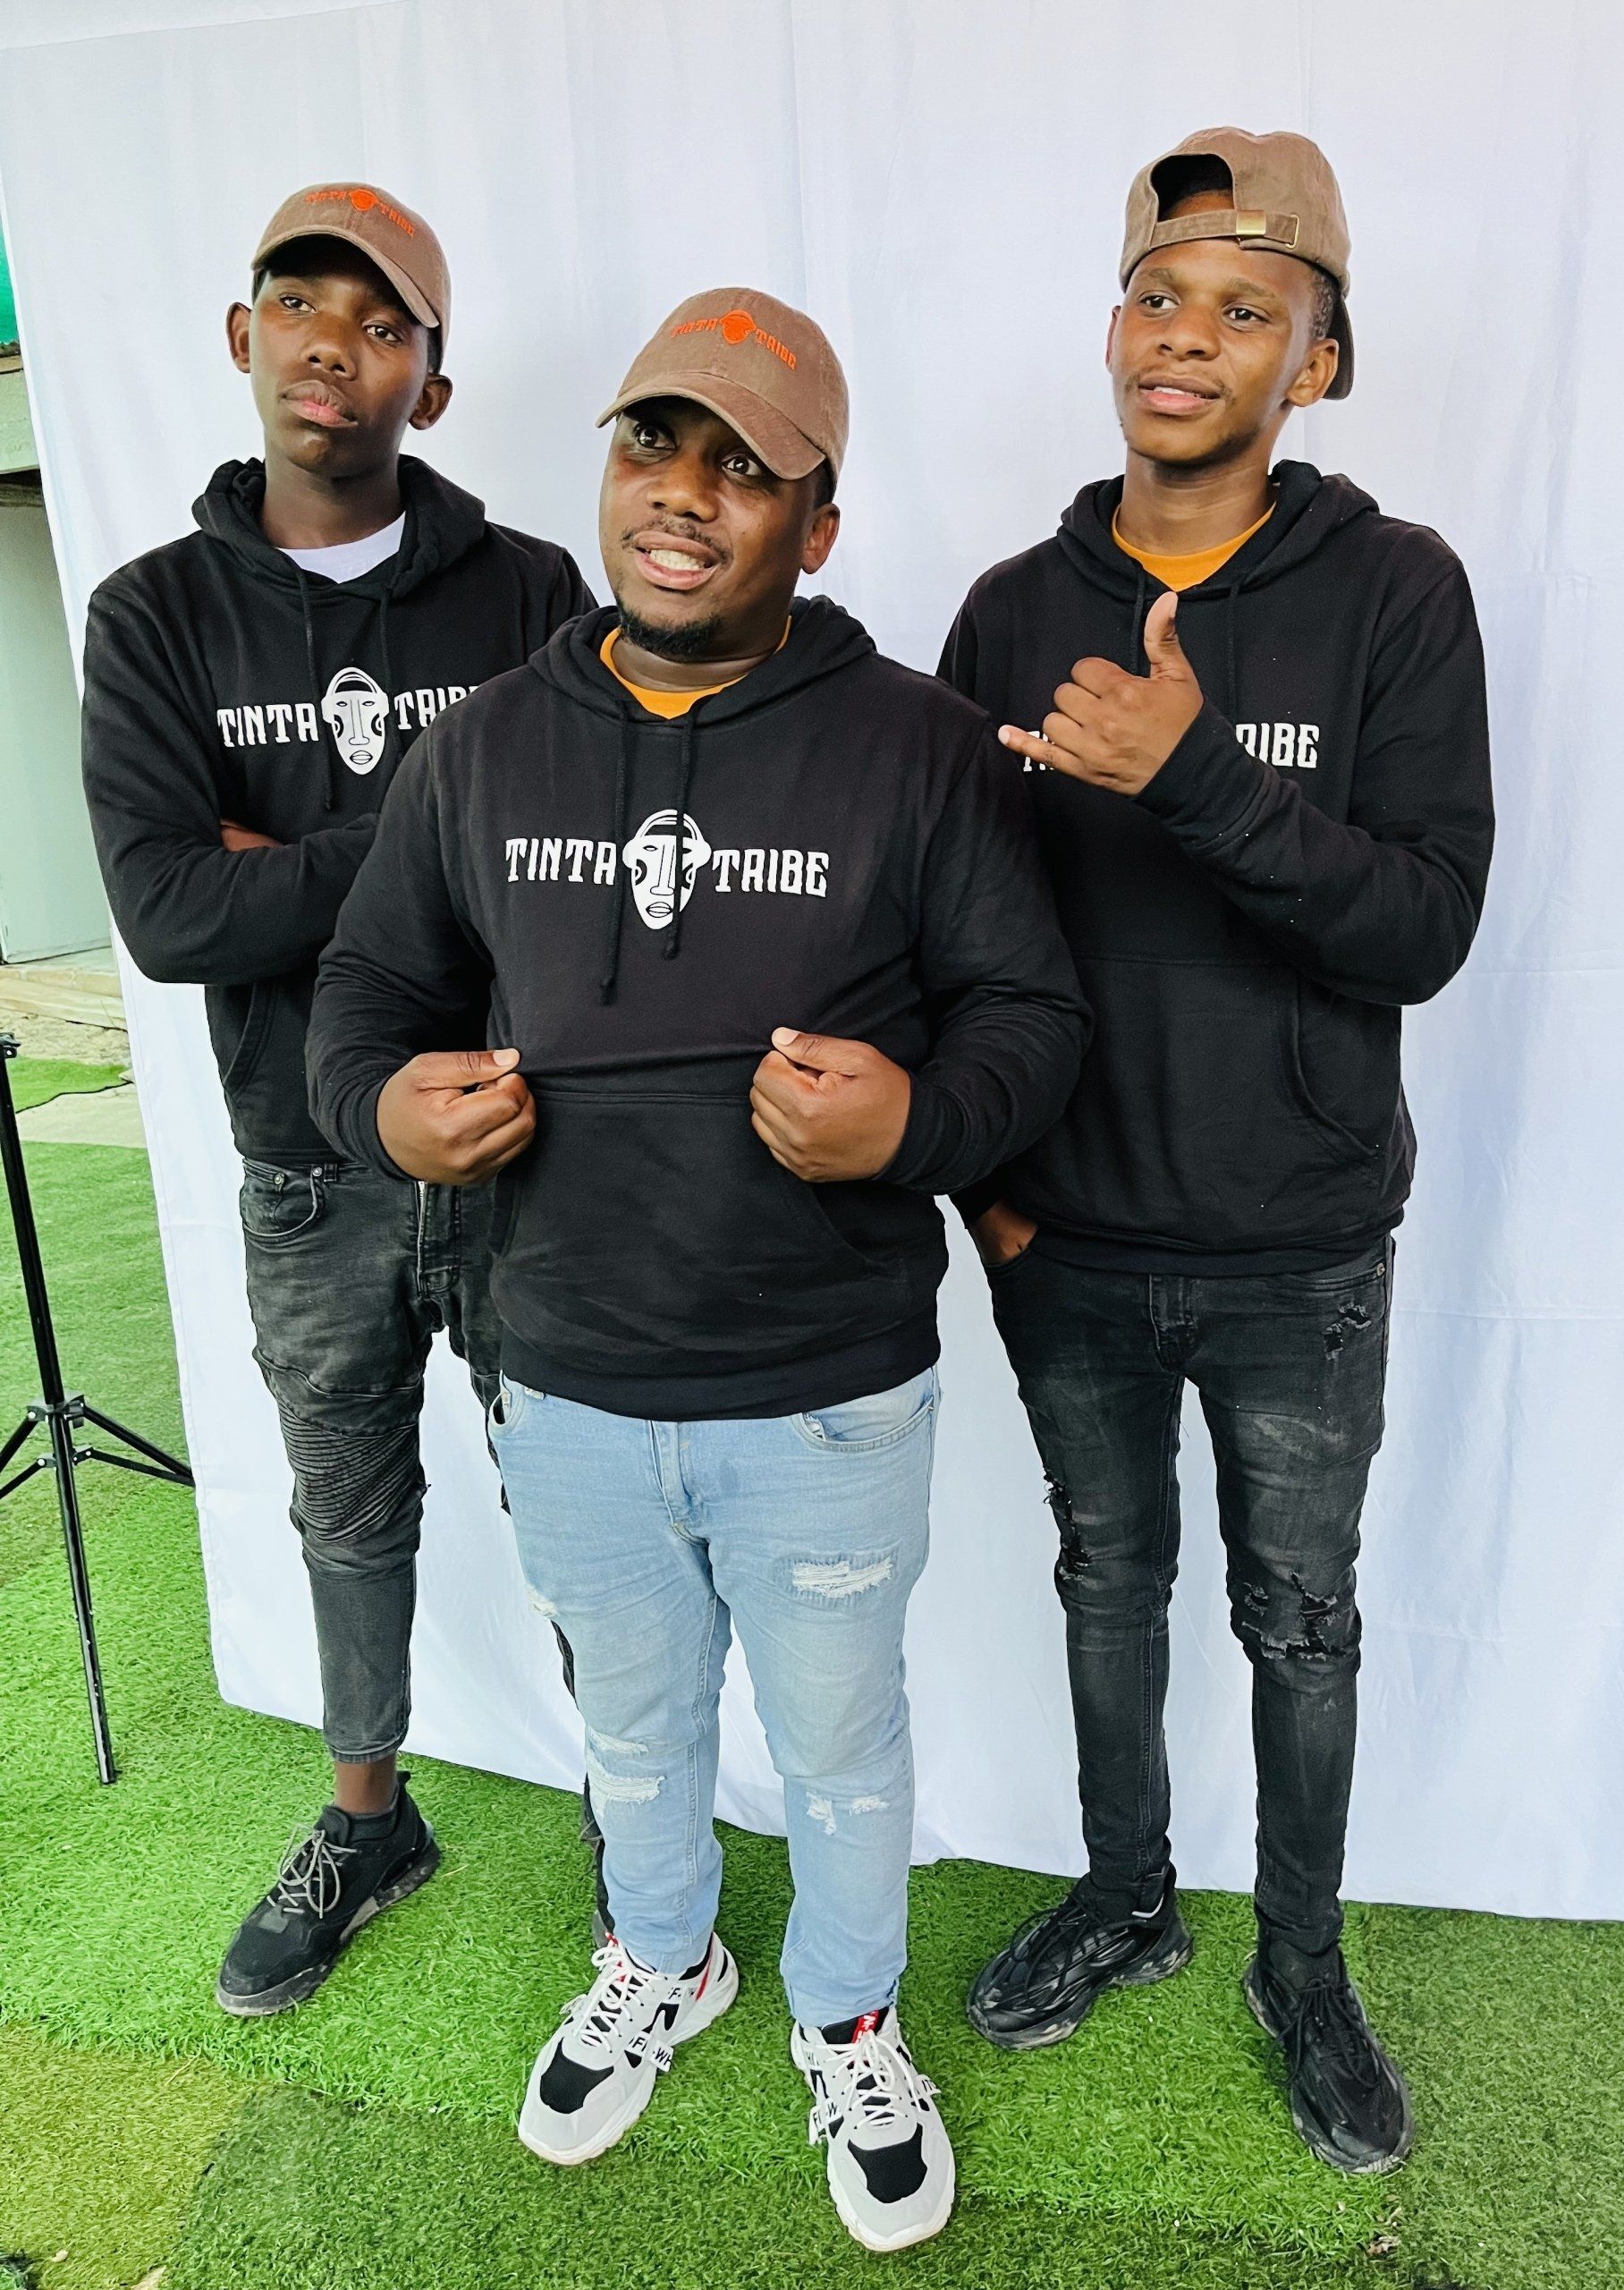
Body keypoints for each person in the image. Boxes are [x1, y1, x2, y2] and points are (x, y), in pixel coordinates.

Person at [307, 287, 1088, 2250]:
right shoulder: (486, 746)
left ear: (818, 525)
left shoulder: (916, 746)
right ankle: (665, 1954)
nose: (687, 492)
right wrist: (388, 1110)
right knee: (636, 1731)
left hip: (822, 1390)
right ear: (610, 466)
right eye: (660, 440)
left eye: (751, 465)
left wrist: (911, 1121)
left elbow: (1033, 1021)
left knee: (838, 1740)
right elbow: (364, 997)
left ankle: (845, 2005)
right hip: (560, 1376)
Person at [941, 129, 1494, 2174]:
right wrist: (983, 1193)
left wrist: (1190, 779)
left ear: (1317, 363)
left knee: (1299, 1617)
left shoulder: (1393, 593)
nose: (1191, 336)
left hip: (1298, 1243)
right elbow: (943, 928)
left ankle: (1305, 1960)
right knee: (1105, 1574)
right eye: (1162, 296)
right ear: (1113, 330)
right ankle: (1128, 1893)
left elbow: (1422, 925)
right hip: (1061, 1236)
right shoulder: (1012, 608)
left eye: (1248, 308)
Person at [80, 182, 595, 2018]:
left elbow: (580, 860)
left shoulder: (536, 590)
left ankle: (641, 1817)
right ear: (243, 339)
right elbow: (167, 913)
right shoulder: (153, 618)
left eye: (382, 326)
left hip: (526, 1141)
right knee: (346, 1502)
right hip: (307, 1159)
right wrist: (429, 841)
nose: (332, 346)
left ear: (431, 387)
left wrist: (284, 860)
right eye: (300, 305)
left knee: (584, 1501)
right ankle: (368, 1812)